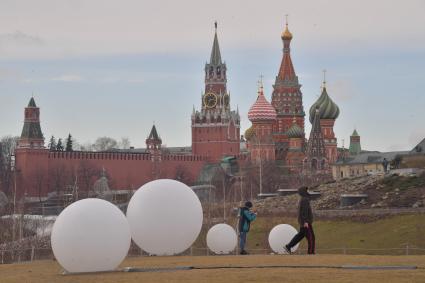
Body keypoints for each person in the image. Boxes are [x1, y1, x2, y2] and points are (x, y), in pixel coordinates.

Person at [285, 186, 315, 255]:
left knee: (300, 235)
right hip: (306, 222)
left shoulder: (303, 199)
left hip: (303, 222)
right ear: (304, 191)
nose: (308, 191)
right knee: (311, 237)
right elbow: (304, 212)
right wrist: (305, 221)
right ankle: (311, 252)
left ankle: (288, 246)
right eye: (307, 190)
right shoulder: (305, 199)